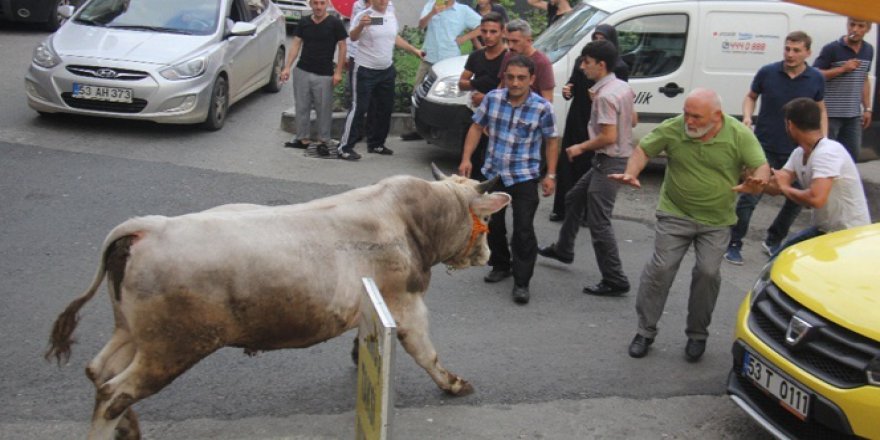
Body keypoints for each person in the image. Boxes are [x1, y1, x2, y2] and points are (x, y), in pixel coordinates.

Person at [609, 88, 769, 362]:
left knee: (708, 273)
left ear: (716, 116)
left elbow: (761, 166)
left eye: (696, 117)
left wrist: (757, 182)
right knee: (661, 269)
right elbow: (644, 149)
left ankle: (697, 335)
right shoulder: (674, 128)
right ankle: (645, 331)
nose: (689, 121)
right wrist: (631, 173)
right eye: (686, 114)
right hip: (675, 212)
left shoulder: (738, 134)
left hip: (716, 220)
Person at [458, 55, 559, 305]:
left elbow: (551, 140)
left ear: (531, 79)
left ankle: (522, 282)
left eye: (521, 78)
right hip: (494, 173)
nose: (515, 83)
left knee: (523, 229)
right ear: (504, 77)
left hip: (524, 176)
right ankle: (501, 265)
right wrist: (466, 158)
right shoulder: (492, 99)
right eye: (510, 77)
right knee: (493, 224)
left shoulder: (542, 108)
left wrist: (551, 174)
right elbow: (476, 127)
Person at [537, 40, 636, 297]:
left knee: (599, 221)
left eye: (586, 62)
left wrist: (580, 147)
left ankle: (615, 278)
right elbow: (633, 120)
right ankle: (563, 248)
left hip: (610, 160)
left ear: (601, 65)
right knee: (574, 197)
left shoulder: (605, 96)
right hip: (611, 158)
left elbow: (608, 137)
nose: (582, 67)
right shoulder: (621, 87)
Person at [724, 31, 827, 264]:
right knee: (750, 196)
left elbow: (821, 109)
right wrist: (747, 116)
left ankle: (773, 239)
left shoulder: (816, 78)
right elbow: (751, 96)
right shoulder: (768, 72)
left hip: (798, 150)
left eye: (796, 50)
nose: (790, 54)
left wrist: (822, 139)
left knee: (796, 200)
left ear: (808, 53)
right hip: (765, 145)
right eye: (787, 48)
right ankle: (734, 242)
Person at [761, 97, 870, 252]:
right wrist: (755, 182)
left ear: (790, 125)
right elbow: (778, 183)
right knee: (783, 257)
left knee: (789, 259)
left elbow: (816, 199)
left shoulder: (827, 152)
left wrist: (785, 188)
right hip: (824, 230)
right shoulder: (799, 153)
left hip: (849, 236)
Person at [550, 24, 630, 222]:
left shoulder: (618, 69)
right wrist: (569, 90)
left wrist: (598, 97)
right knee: (568, 164)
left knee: (588, 165)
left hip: (599, 120)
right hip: (578, 115)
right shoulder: (583, 61)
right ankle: (563, 209)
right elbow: (573, 83)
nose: (598, 42)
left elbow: (620, 104)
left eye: (603, 39)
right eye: (595, 38)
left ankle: (587, 213)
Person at [337, 0, 422, 161]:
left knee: (384, 107)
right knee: (359, 107)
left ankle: (376, 143)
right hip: (365, 69)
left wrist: (414, 50)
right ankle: (345, 147)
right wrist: (361, 26)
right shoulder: (365, 16)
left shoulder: (388, 16)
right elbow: (353, 37)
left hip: (386, 70)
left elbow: (393, 37)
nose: (383, 1)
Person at [400, 0, 483, 142]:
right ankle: (418, 128)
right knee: (418, 92)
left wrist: (465, 38)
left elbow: (483, 25)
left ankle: (439, 129)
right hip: (429, 57)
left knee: (444, 96)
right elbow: (421, 25)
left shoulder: (462, 10)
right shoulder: (431, 4)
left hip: (449, 59)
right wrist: (432, 13)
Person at [280, 0, 348, 156]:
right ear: (310, 4)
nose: (318, 7)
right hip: (302, 70)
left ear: (327, 5)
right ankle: (302, 138)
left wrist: (338, 72)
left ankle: (323, 140)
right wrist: (287, 67)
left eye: (322, 3)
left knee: (323, 108)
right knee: (301, 106)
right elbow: (296, 44)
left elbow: (342, 46)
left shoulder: (335, 23)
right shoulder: (304, 22)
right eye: (315, 3)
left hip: (324, 73)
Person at [813, 17, 875, 161]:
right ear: (847, 25)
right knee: (827, 155)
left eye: (860, 26)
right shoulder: (832, 48)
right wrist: (842, 69)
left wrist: (867, 108)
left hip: (853, 115)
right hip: (830, 114)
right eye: (852, 25)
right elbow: (815, 74)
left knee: (852, 155)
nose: (855, 29)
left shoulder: (868, 49)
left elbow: (864, 79)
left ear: (868, 29)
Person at [458, 12, 508, 181]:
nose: (488, 36)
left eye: (493, 31)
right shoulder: (476, 56)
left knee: (490, 167)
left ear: (502, 32)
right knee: (468, 161)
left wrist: (486, 97)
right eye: (484, 31)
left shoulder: (508, 58)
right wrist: (477, 83)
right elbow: (462, 83)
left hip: (497, 117)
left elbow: (511, 89)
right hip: (473, 113)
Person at [497, 20, 554, 102]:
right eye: (507, 41)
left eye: (515, 41)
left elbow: (548, 98)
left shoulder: (542, 62)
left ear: (529, 40)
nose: (510, 46)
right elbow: (502, 85)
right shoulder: (508, 56)